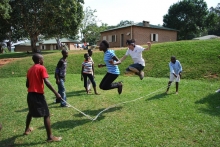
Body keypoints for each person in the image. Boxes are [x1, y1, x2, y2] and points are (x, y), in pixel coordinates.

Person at [24, 53, 62, 142]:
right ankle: (50, 137)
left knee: (30, 111)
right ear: (39, 60)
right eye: (42, 59)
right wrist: (56, 93)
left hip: (30, 94)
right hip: (38, 95)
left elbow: (27, 84)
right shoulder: (41, 68)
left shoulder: (30, 69)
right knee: (46, 114)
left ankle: (26, 129)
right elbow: (47, 81)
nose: (43, 61)